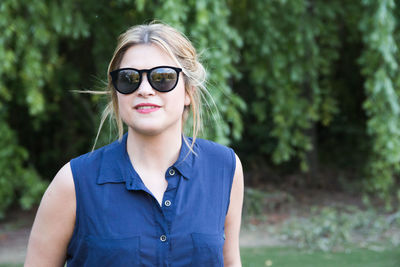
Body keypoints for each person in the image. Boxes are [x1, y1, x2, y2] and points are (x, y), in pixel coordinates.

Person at [25, 22, 244, 267]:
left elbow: (230, 261)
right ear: (116, 92)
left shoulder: (225, 167)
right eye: (129, 79)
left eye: (163, 77)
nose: (145, 89)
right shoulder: (74, 183)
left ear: (188, 92)